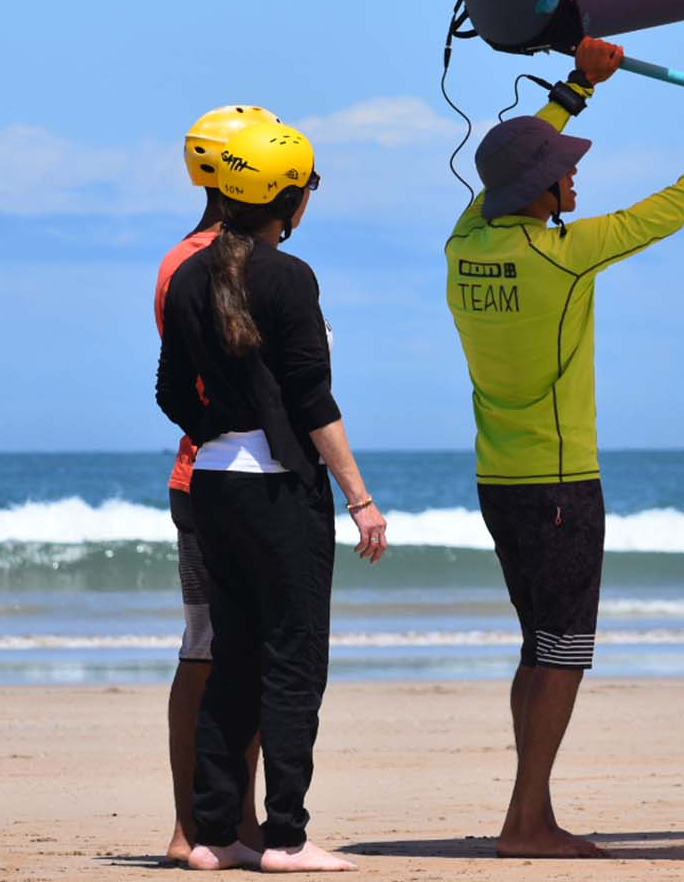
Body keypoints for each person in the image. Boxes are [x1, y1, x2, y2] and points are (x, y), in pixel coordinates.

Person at [444, 40, 684, 858]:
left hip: (497, 481)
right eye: (563, 170)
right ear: (537, 189)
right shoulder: (565, 256)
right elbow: (682, 201)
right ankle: (526, 823)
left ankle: (529, 813)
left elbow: (506, 170)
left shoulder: (466, 244)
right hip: (558, 486)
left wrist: (578, 86)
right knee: (564, 654)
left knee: (538, 647)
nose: (574, 179)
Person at [156, 120, 389, 873]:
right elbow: (313, 402)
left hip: (214, 485)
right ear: (285, 198)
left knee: (232, 662)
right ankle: (286, 837)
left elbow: (167, 394)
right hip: (281, 493)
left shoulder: (190, 275)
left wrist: (220, 426)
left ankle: (215, 836)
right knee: (294, 664)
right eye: (307, 188)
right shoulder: (289, 277)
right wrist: (360, 499)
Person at [154, 104, 281, 864]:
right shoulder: (200, 261)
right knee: (212, 650)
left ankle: (230, 820)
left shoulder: (209, 255)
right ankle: (203, 822)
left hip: (225, 474)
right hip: (218, 477)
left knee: (239, 651)